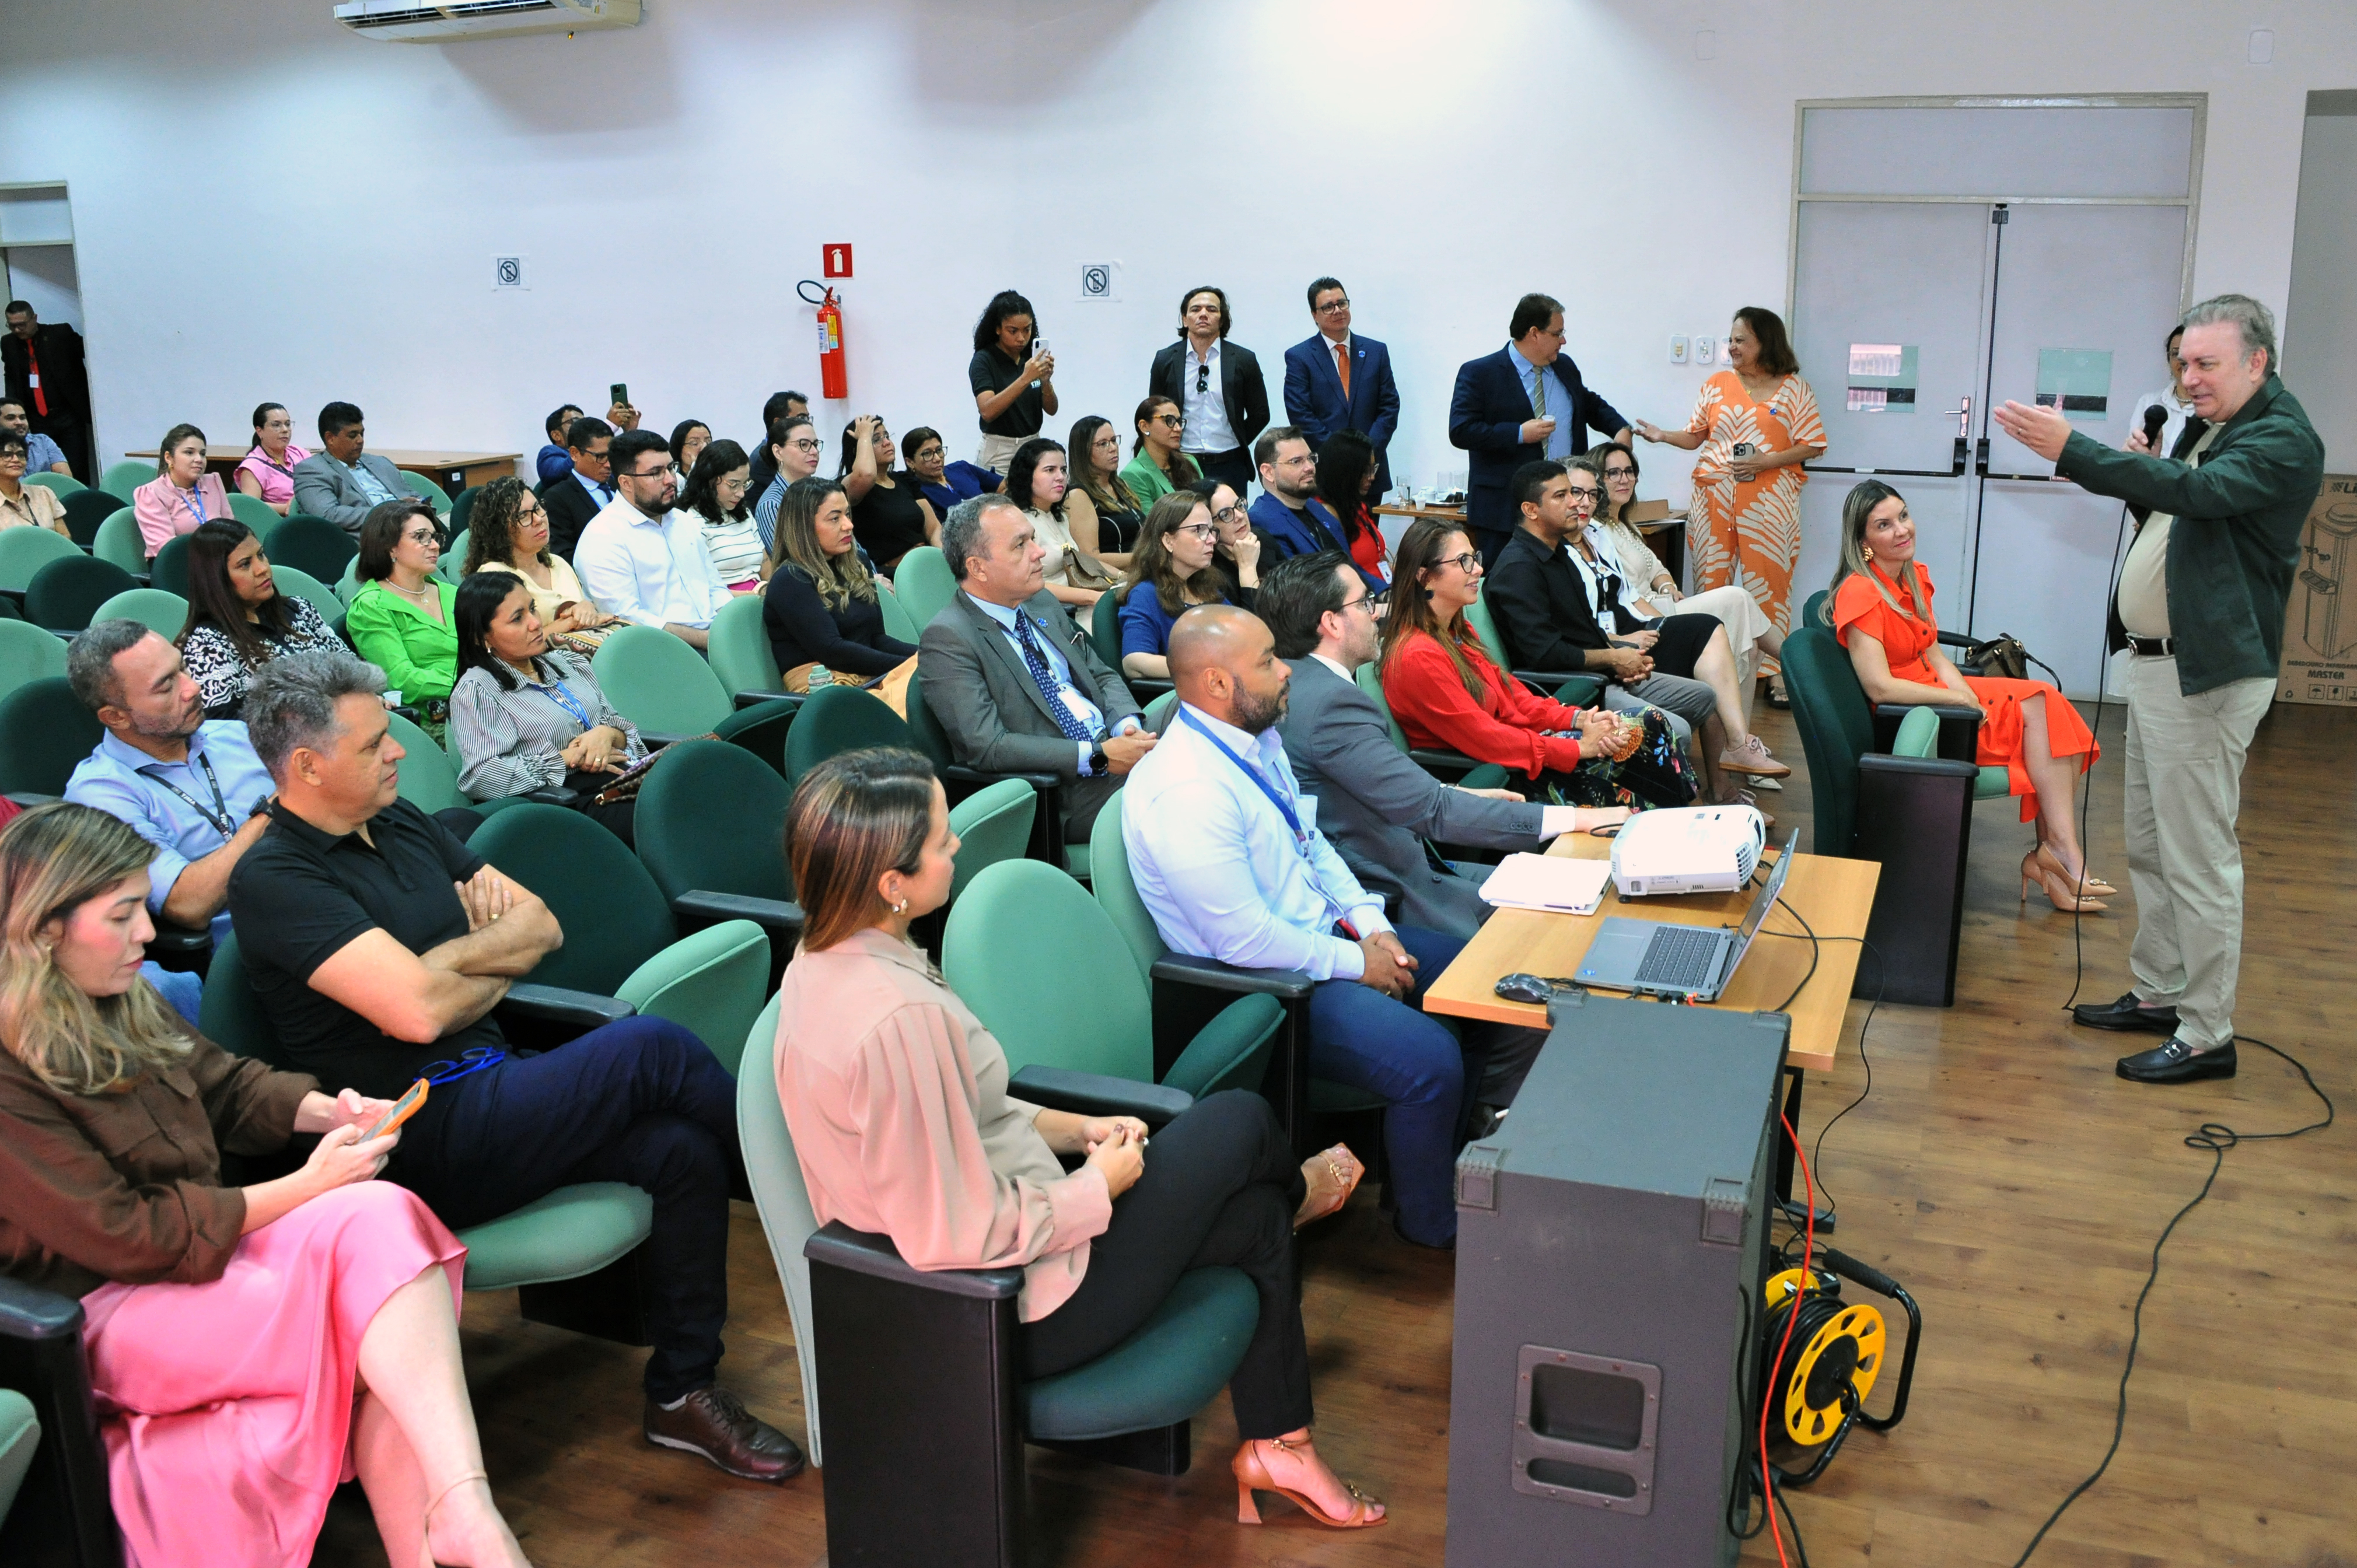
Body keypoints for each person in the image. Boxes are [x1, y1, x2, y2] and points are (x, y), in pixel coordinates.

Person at [224, 650, 802, 1480]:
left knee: (679, 1148)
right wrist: (475, 964)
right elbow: (418, 1011)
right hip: (417, 1137)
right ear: (307, 767)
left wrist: (441, 964)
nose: (398, 753)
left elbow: (541, 926)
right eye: (374, 744)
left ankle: (681, 1392)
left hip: (499, 1090)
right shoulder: (275, 878)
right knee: (654, 1046)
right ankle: (838, 1210)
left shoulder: (402, 822)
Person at [774, 746, 1384, 1530]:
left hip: (1032, 1244)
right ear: (892, 884)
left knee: (1256, 1220)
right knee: (1236, 1125)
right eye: (938, 837)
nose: (956, 842)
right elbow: (951, 1233)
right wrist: (1099, 1186)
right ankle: (1300, 1193)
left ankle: (1281, 1447)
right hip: (1012, 1305)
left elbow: (969, 1108)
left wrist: (1080, 1128)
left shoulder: (835, 960)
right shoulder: (895, 1018)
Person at [0, 802, 536, 1568]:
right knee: (377, 1329)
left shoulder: (113, 995)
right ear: (45, 930)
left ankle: (466, 1508)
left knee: (380, 1216)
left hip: (198, 1255)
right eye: (122, 917)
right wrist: (311, 1185)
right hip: (99, 1311)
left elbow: (225, 1087)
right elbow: (127, 1234)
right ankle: (447, 1540)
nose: (148, 935)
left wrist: (333, 1111)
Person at [1994, 293, 2325, 1086]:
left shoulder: (2282, 437)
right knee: (2150, 843)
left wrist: (2077, 450)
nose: (2189, 378)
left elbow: (2205, 498)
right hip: (2157, 667)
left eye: (2206, 364)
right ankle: (2163, 991)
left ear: (2258, 361)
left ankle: (2208, 1032)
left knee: (2198, 854)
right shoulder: (2218, 425)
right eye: (2183, 363)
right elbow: (2181, 521)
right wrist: (2146, 472)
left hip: (2203, 675)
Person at [1126, 606, 1503, 1252]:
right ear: (1217, 683)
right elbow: (1241, 942)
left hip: (1323, 942)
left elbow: (1313, 844)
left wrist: (1370, 925)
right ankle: (1430, 1224)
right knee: (1430, 1059)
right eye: (1269, 661)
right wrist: (1359, 963)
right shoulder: (1186, 789)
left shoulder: (1252, 739)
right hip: (1261, 988)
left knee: (1479, 983)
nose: (1287, 673)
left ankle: (1434, 1167)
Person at [1262, 552, 1621, 937]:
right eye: (1365, 602)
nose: (1377, 613)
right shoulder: (1332, 704)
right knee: (1573, 915)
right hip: (1389, 890)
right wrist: (1579, 819)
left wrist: (1453, 791)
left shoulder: (1298, 683)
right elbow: (1432, 810)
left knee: (1578, 888)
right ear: (1331, 623)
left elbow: (1374, 784)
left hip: (1408, 860)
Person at [1828, 479, 2106, 909]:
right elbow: (1878, 686)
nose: (1902, 530)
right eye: (1884, 525)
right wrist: (1960, 703)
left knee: (2048, 704)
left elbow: (1934, 652)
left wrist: (1963, 691)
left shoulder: (1911, 576)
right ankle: (2062, 856)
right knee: (2043, 719)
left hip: (1936, 691)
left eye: (1903, 516)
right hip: (1912, 710)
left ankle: (2057, 853)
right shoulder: (1861, 590)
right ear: (1863, 542)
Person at [1486, 460, 1771, 810]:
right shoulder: (1519, 569)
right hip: (1571, 688)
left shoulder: (1558, 552)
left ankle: (1655, 784)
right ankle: (1674, 811)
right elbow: (1546, 655)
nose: (1577, 503)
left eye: (1579, 494)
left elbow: (1587, 628)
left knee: (1704, 696)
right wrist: (1613, 657)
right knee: (1676, 729)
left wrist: (1620, 652)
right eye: (1563, 495)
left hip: (1602, 670)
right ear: (1531, 510)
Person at [1383, 516, 1695, 810]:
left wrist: (1579, 720)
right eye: (1464, 562)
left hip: (1525, 750)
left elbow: (1516, 698)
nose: (1478, 569)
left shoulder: (1456, 633)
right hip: (1504, 776)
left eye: (1475, 557)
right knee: (1643, 743)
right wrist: (1576, 748)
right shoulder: (1418, 656)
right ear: (1424, 577)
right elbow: (1486, 739)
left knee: (1648, 723)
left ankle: (1686, 833)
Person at [917, 494, 1152, 844]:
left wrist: (1127, 727)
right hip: (1062, 792)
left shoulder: (1040, 600)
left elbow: (1100, 674)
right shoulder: (949, 639)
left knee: (1205, 712)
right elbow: (988, 746)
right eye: (1020, 545)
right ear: (978, 567)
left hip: (1113, 742)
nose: (1039, 552)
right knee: (1181, 788)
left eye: (1033, 539)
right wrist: (1099, 757)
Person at [1632, 306, 1826, 704]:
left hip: (1771, 503)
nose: (1733, 347)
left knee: (1771, 587)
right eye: (1732, 339)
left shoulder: (1795, 389)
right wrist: (1662, 436)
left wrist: (1765, 461)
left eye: (1742, 340)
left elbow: (1814, 445)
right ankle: (1712, 666)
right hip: (1713, 500)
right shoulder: (1718, 383)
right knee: (1710, 588)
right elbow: (1695, 436)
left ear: (1765, 343)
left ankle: (1775, 674)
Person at [62, 620, 277, 944]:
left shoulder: (237, 735)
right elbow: (188, 904)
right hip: (253, 946)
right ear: (115, 717)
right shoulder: (101, 795)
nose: (193, 687)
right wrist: (278, 809)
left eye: (183, 669)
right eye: (166, 687)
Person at [449, 573, 645, 843]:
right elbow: (481, 777)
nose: (536, 623)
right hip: (575, 805)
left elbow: (619, 725)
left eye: (532, 609)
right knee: (672, 812)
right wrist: (565, 759)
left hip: (630, 778)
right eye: (518, 619)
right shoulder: (479, 691)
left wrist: (608, 734)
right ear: (483, 637)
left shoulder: (568, 663)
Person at [1449, 292, 1632, 566]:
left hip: (1565, 507)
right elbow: (1461, 430)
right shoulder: (1480, 373)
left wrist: (1620, 428)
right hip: (1505, 511)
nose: (1563, 340)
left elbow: (1588, 402)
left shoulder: (1564, 366)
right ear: (1534, 333)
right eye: (1557, 333)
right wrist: (1519, 433)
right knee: (1509, 590)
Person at [1594, 441, 1780, 698]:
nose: (1624, 479)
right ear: (1597, 482)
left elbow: (1656, 568)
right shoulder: (1596, 531)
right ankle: (1796, 662)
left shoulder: (1626, 525)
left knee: (1752, 647)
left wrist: (1668, 586)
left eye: (1629, 471)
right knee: (1738, 598)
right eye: (1613, 473)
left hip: (1664, 604)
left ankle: (1740, 737)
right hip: (1645, 619)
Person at [575, 428, 725, 651]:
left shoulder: (682, 521)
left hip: (716, 637)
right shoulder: (602, 537)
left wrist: (731, 629)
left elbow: (715, 587)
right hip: (663, 651)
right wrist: (707, 640)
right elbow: (628, 619)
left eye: (671, 468)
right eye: (656, 473)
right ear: (626, 483)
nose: (670, 480)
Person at [176, 520, 343, 718]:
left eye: (261, 555)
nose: (262, 568)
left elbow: (351, 666)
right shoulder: (206, 643)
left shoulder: (300, 609)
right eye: (245, 564)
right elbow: (225, 725)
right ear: (217, 579)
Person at [763, 477, 916, 682]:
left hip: (868, 675)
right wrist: (913, 665)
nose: (849, 525)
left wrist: (928, 655)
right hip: (826, 687)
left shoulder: (857, 563)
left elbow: (877, 639)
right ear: (804, 527)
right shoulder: (790, 579)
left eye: (847, 514)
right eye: (835, 518)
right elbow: (833, 651)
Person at [461, 475, 623, 649]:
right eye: (523, 516)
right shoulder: (494, 576)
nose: (538, 519)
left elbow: (582, 614)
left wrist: (587, 608)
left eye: (538, 508)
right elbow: (502, 649)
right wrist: (566, 624)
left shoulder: (558, 563)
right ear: (499, 529)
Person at [1118, 491, 1259, 680]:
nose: (1211, 540)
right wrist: (1206, 668)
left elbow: (1248, 638)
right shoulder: (1145, 594)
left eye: (1211, 531)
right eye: (1199, 531)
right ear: (1169, 540)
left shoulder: (1206, 587)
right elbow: (1134, 662)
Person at [1283, 278, 1400, 499]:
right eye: (1328, 307)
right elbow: (1301, 415)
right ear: (1315, 315)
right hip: (1326, 472)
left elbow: (1389, 407)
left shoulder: (1376, 351)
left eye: (1342, 303)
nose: (1337, 311)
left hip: (1370, 472)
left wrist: (1367, 454)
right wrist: (1341, 457)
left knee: (1368, 533)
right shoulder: (1300, 357)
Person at [1148, 286, 1271, 498]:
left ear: (1222, 319)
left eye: (1212, 309)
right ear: (1185, 319)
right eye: (1195, 309)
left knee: (1231, 524)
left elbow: (1260, 413)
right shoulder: (1165, 360)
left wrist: (1234, 439)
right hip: (1181, 462)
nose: (1203, 314)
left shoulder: (1243, 359)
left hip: (1230, 464)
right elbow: (1155, 413)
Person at [348, 498, 459, 730]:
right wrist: (474, 683)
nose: (436, 546)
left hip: (488, 700)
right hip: (436, 720)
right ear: (390, 548)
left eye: (435, 537)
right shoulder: (371, 606)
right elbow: (401, 680)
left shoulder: (453, 593)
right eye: (421, 537)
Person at [1247, 425, 1380, 591]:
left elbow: (1349, 566)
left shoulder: (1317, 508)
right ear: (1268, 472)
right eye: (1297, 462)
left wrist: (1385, 593)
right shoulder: (1262, 521)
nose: (1310, 467)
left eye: (1310, 458)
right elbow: (1301, 590)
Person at [1005, 436, 1113, 625]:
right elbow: (1026, 586)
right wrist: (1091, 597)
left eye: (1063, 470)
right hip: (1047, 613)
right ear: (1027, 475)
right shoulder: (1018, 523)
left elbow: (1084, 563)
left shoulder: (1059, 516)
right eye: (1050, 470)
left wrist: (1124, 579)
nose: (1061, 477)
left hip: (1079, 604)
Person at [292, 403, 414, 541]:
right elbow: (327, 514)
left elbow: (410, 495)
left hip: (414, 525)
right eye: (353, 435)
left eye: (362, 433)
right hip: (375, 538)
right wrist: (389, 513)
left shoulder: (381, 462)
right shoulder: (312, 470)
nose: (360, 440)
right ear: (331, 438)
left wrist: (421, 505)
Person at [969, 289, 1058, 474]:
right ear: (998, 328)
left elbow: (1052, 410)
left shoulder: (1031, 357)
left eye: (1027, 329)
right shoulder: (984, 360)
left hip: (1033, 445)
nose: (1022, 338)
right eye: (1013, 331)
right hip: (999, 451)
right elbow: (987, 410)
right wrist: (1026, 378)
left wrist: (1046, 382)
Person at [2, 300, 91, 480]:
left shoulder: (60, 334)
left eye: (22, 325)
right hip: (35, 419)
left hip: (67, 416)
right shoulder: (8, 343)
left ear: (34, 318)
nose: (18, 330)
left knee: (76, 469)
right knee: (36, 470)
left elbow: (93, 353)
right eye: (12, 326)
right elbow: (11, 378)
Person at [838, 414, 936, 574]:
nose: (887, 443)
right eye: (876, 440)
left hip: (925, 564)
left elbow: (933, 529)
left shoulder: (904, 480)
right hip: (888, 574)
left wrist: (944, 558)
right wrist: (864, 436)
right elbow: (865, 474)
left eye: (887, 436)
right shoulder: (848, 486)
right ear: (859, 450)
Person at [676, 438, 768, 594]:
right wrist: (757, 595)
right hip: (725, 606)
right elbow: (701, 590)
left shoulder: (744, 514)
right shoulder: (691, 522)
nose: (741, 493)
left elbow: (765, 563)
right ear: (710, 480)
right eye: (733, 484)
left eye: (745, 484)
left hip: (759, 594)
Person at [132, 423, 231, 557]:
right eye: (189, 453)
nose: (199, 460)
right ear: (169, 458)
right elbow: (166, 549)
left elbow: (231, 530)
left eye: (202, 454)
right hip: (178, 565)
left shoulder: (213, 482)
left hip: (218, 560)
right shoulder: (151, 494)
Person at [1311, 428, 1392, 588]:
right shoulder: (1324, 514)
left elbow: (1380, 557)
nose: (1373, 477)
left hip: (1386, 589)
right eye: (1366, 471)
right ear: (1346, 472)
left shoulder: (1358, 506)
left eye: (1373, 468)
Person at [1066, 414, 1145, 569]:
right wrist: (1146, 557)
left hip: (1140, 570)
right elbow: (1090, 557)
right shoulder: (1077, 495)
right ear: (1084, 451)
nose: (1113, 448)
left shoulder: (1120, 485)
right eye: (1103, 444)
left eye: (1114, 441)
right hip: (1113, 578)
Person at [534, 415, 616, 561]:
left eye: (611, 456)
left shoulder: (620, 485)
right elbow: (563, 557)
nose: (609, 464)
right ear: (575, 454)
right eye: (601, 457)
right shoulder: (556, 499)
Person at [751, 413, 823, 554]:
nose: (814, 452)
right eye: (804, 445)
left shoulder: (823, 492)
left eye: (815, 444)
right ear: (778, 452)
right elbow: (787, 559)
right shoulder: (772, 504)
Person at [903, 425, 1000, 523]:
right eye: (927, 454)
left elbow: (1004, 486)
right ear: (910, 462)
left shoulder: (961, 468)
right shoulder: (916, 493)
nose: (937, 459)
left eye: (939, 450)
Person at [2127, 325, 2195, 466]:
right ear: (2168, 358)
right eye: (2176, 354)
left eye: (2190, 355)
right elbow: (2134, 452)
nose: (2182, 362)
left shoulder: (2211, 407)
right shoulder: (2149, 402)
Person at [233, 402, 313, 516]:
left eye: (288, 424)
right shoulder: (253, 466)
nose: (285, 430)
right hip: (281, 523)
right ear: (260, 431)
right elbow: (251, 506)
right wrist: (289, 507)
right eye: (277, 425)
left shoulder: (300, 453)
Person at [1122, 394, 1199, 508]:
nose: (1178, 428)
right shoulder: (1133, 474)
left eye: (1178, 421)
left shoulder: (1190, 461)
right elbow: (1150, 524)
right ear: (1144, 427)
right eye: (1169, 421)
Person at [742, 390, 810, 505]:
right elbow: (797, 496)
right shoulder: (763, 457)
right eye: (801, 418)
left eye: (808, 418)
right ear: (778, 422)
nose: (808, 424)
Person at [0, 429, 70, 534]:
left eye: (20, 454)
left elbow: (65, 536)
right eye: (7, 455)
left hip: (51, 550)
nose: (16, 459)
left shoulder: (44, 494)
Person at [0, 395, 71, 475]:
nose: (19, 422)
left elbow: (65, 479)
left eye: (22, 418)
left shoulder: (43, 442)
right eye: (11, 418)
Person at [535, 402, 585, 486]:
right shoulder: (549, 452)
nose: (584, 427)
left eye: (584, 422)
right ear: (556, 435)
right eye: (576, 422)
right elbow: (561, 471)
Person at [669, 418, 711, 492]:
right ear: (679, 448)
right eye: (695, 443)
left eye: (708, 442)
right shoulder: (675, 481)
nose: (704, 448)